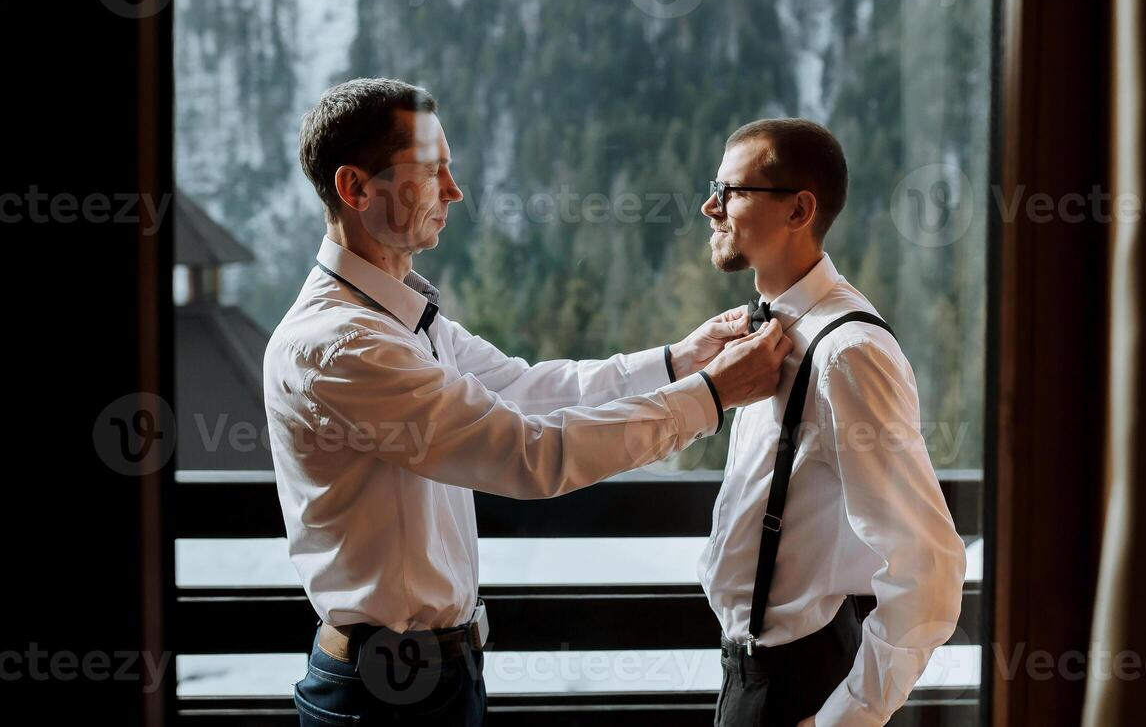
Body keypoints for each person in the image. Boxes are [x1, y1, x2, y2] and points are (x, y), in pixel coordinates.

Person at [263, 78, 792, 726]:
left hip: (432, 677)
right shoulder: (343, 343)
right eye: (431, 172)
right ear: (355, 189)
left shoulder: (400, 320)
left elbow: (529, 388)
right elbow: (529, 454)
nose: (454, 190)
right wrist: (710, 397)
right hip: (385, 696)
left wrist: (679, 361)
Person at [697, 118, 967, 726]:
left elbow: (928, 565)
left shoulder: (847, 353)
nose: (711, 206)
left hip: (800, 687)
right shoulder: (772, 331)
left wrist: (845, 717)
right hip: (752, 676)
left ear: (799, 211)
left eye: (733, 191)